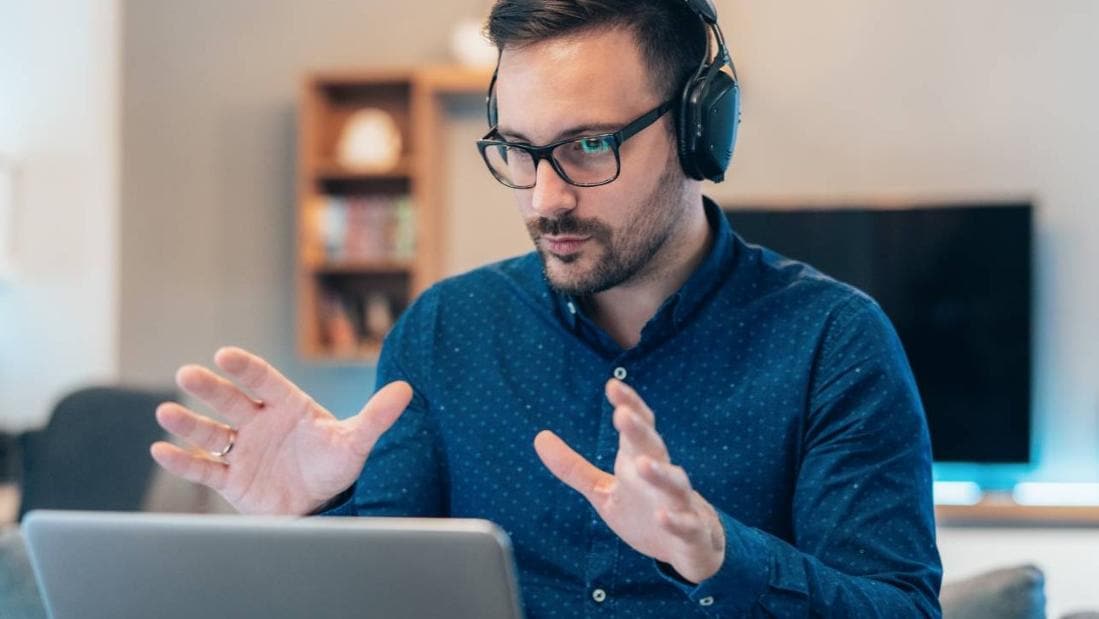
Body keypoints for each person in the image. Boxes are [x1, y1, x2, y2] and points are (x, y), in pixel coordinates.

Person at [151, 0, 943, 616]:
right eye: (518, 150)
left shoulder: (833, 343)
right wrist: (316, 518)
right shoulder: (442, 333)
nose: (545, 196)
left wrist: (718, 553)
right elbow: (393, 595)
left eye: (588, 145)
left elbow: (900, 609)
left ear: (699, 131)